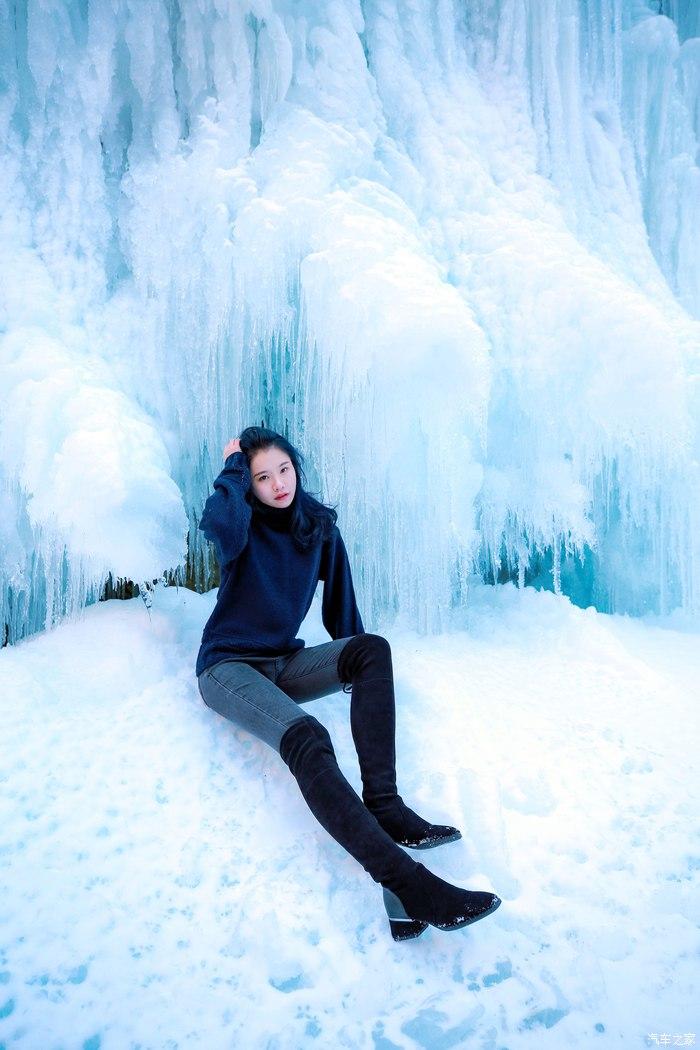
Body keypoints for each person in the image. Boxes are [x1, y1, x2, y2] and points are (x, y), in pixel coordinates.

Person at [196, 426, 501, 940]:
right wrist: (232, 469)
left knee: (370, 648)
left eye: (284, 470)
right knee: (308, 738)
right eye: (262, 477)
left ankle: (386, 806)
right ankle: (406, 885)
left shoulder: (317, 528)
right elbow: (218, 526)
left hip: (282, 663)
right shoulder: (240, 523)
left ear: (296, 467)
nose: (278, 484)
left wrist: (359, 671)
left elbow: (345, 621)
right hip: (227, 668)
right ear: (248, 483)